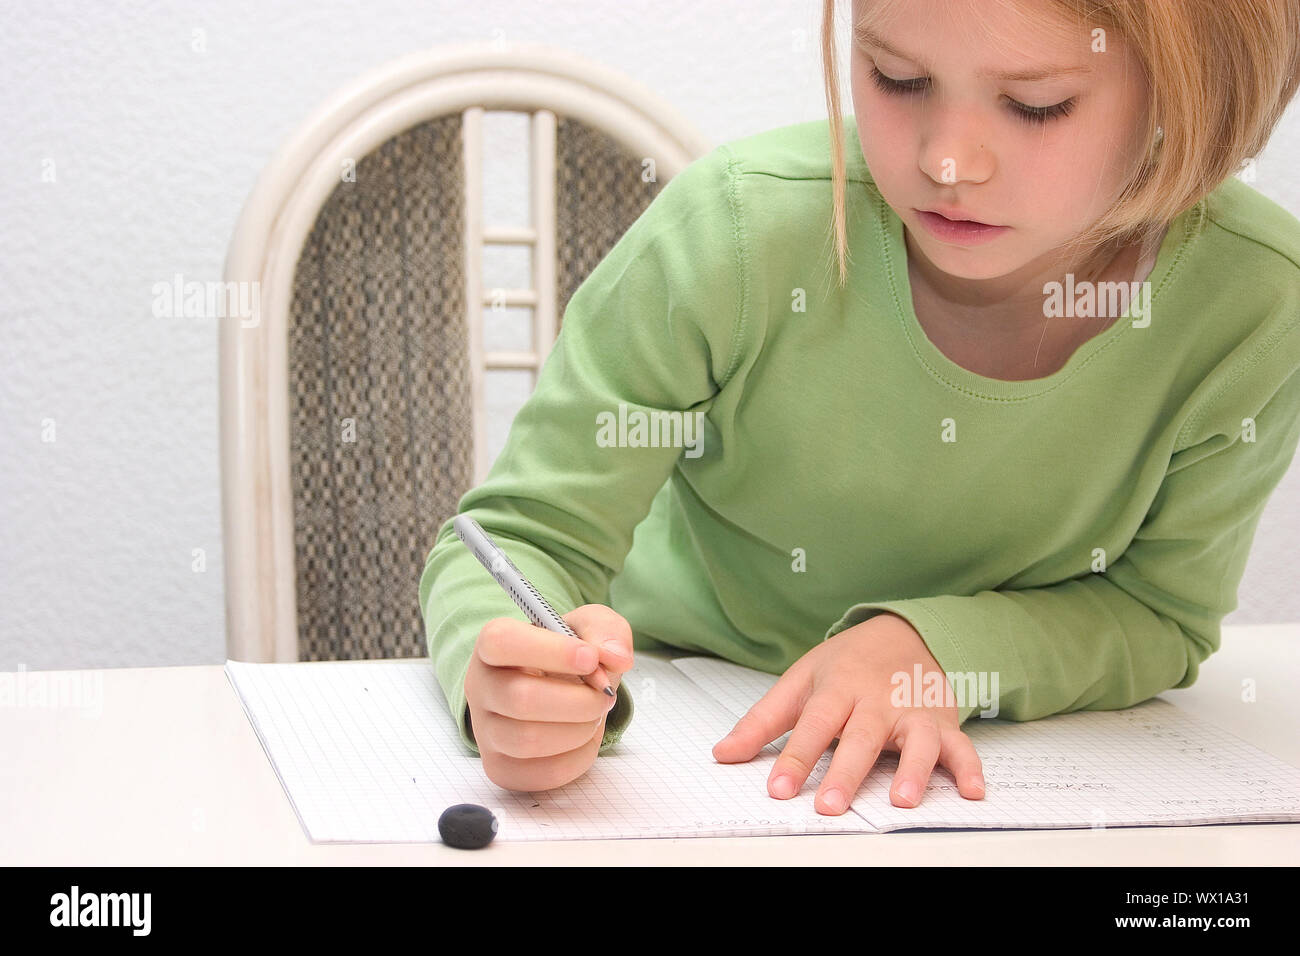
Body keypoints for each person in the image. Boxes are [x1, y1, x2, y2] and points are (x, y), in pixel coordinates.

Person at [419, 0, 1300, 816]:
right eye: (899, 80)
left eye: (1036, 105)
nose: (947, 161)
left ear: (1192, 98)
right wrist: (501, 676)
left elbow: (1156, 614)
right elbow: (517, 541)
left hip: (1026, 790)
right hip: (689, 741)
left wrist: (937, 651)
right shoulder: (733, 232)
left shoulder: (1257, 307)